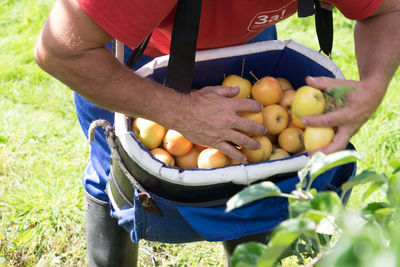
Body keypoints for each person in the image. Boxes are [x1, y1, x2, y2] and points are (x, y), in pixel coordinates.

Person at [34, 0, 400, 266]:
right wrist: (179, 111)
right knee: (119, 178)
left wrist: (374, 83)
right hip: (133, 62)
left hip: (244, 43)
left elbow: (388, 10)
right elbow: (61, 51)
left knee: (249, 185)